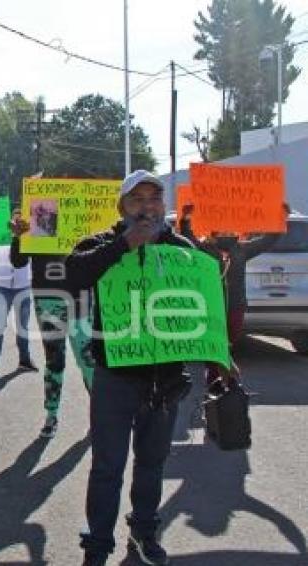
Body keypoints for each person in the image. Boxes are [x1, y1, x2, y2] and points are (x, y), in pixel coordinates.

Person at [66, 170, 233, 566]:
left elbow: (205, 303)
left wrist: (221, 355)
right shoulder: (102, 244)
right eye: (137, 200)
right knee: (107, 466)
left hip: (165, 380)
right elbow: (75, 275)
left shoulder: (181, 248)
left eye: (154, 199)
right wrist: (126, 244)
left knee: (152, 464)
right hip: (115, 378)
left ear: (163, 205)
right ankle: (98, 546)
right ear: (122, 207)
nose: (147, 207)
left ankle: (144, 532)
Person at [6, 209, 96, 439]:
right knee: (54, 361)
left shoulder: (86, 226)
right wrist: (19, 236)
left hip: (80, 301)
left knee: (88, 362)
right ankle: (51, 415)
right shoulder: (36, 225)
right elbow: (18, 262)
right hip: (48, 299)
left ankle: (99, 417)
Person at [179, 203, 287, 381]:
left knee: (227, 345)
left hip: (236, 307)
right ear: (214, 230)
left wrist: (280, 218)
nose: (227, 232)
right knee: (215, 345)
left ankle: (218, 381)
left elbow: (268, 240)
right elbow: (187, 238)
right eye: (222, 229)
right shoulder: (205, 250)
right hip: (211, 308)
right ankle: (216, 380)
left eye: (230, 229)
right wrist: (186, 218)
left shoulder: (242, 249)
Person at [0, 208, 37, 374]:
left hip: (23, 286)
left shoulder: (30, 237)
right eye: (14, 220)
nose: (16, 223)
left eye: (19, 220)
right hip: (3, 287)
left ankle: (24, 360)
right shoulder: (0, 235)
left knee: (23, 327)